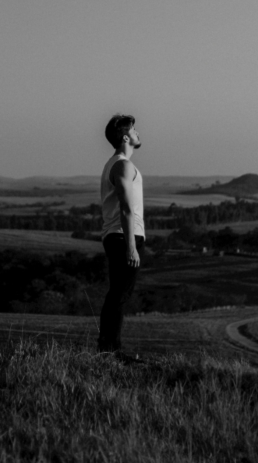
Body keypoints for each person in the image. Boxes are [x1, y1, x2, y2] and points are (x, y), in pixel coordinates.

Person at [97, 114, 145, 354]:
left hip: (117, 235)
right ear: (126, 137)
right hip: (123, 236)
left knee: (118, 292)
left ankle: (108, 347)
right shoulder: (123, 165)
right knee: (120, 294)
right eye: (134, 130)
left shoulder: (115, 163)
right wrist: (131, 246)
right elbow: (126, 208)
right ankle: (110, 349)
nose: (138, 133)